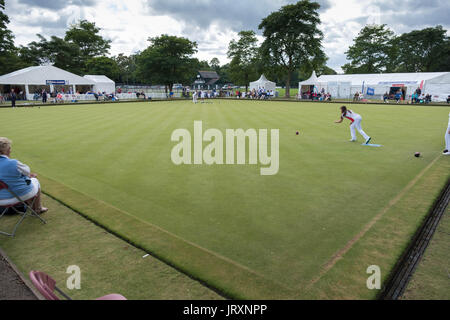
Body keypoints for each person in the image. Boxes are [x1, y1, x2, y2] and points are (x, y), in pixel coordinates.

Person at [0, 138, 48, 214]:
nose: (10, 150)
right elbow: (27, 171)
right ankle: (38, 208)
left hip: (1, 200)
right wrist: (28, 176)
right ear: (6, 150)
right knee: (34, 180)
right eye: (9, 148)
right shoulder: (13, 163)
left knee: (26, 180)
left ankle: (32, 207)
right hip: (17, 196)